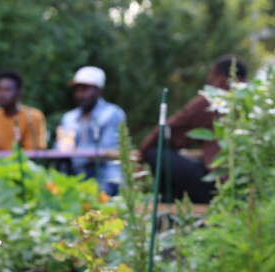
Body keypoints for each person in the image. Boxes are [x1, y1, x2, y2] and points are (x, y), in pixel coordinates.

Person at [139, 56, 247, 203]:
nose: (208, 80)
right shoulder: (253, 99)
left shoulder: (213, 99)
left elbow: (170, 128)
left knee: (155, 153)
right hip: (246, 185)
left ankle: (168, 204)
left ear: (220, 77)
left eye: (211, 75)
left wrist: (142, 152)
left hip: (217, 187)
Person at [54, 66, 125, 196]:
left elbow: (108, 150)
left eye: (85, 89)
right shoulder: (69, 117)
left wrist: (75, 151)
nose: (80, 94)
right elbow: (61, 147)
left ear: (99, 91)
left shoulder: (113, 114)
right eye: (77, 90)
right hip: (76, 175)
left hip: (105, 175)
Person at [0, 70, 47, 151]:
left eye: (7, 90)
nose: (1, 94)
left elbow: (33, 151)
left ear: (19, 92)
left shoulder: (33, 116)